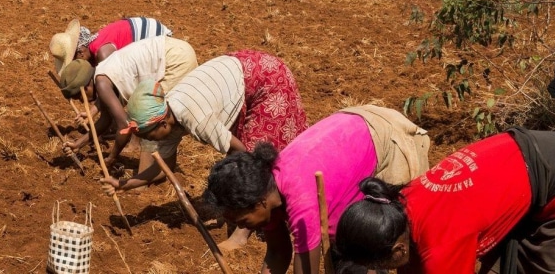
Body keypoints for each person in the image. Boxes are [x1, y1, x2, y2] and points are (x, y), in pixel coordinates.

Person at [334, 127, 555, 274]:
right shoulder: (399, 204)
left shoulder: (440, 244)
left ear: (397, 251)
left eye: (385, 267)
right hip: (527, 178)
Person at [101, 50, 308, 250]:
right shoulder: (166, 117)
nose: (147, 141)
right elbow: (162, 168)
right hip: (242, 72)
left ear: (162, 124)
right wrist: (122, 184)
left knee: (255, 152)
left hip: (266, 79)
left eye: (147, 136)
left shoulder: (193, 116)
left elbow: (241, 153)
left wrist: (230, 192)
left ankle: (241, 234)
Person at [203, 105, 431, 274]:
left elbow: (306, 270)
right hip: (347, 136)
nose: (242, 228)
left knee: (383, 244)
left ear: (259, 202)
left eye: (243, 221)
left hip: (385, 137)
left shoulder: (301, 197)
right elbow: (278, 252)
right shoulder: (267, 190)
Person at [57, 35, 197, 172]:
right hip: (176, 51)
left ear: (86, 87)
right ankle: (159, 170)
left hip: (174, 61)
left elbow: (124, 125)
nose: (83, 101)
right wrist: (78, 144)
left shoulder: (102, 84)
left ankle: (149, 174)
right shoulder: (103, 75)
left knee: (149, 121)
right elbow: (105, 120)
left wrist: (112, 157)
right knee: (153, 119)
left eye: (80, 97)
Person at [50, 17, 172, 74]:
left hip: (158, 40)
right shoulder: (96, 43)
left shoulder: (102, 53)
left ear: (81, 52)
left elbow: (118, 81)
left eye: (75, 61)